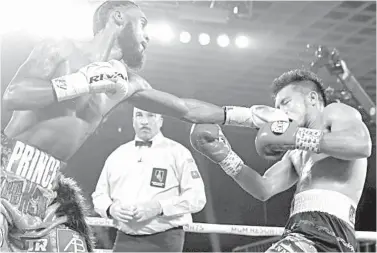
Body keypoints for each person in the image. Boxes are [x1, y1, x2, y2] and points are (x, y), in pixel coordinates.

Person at [1, 1, 290, 251]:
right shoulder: (60, 46)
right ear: (117, 17)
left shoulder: (128, 84)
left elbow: (185, 108)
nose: (147, 35)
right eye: (142, 23)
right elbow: (14, 95)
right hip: (7, 169)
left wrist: (247, 116)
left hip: (47, 190)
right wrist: (78, 83)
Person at [190, 69, 372, 252]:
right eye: (277, 108)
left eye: (286, 102)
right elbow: (264, 188)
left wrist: (296, 137)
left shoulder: (334, 112)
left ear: (313, 98)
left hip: (328, 232)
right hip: (299, 230)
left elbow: (361, 145)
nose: (281, 112)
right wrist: (225, 156)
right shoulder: (295, 153)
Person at [92, 108, 206, 252]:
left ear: (161, 121)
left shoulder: (178, 152)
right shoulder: (117, 155)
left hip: (165, 240)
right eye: (139, 115)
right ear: (133, 121)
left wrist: (159, 207)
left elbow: (197, 197)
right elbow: (99, 195)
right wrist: (110, 209)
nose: (144, 121)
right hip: (124, 239)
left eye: (151, 115)